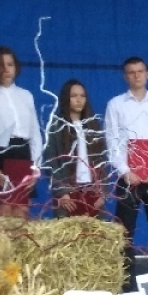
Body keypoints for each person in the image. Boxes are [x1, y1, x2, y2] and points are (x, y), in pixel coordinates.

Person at [105, 57, 148, 290]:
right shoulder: (116, 104)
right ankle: (125, 277)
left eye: (140, 71)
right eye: (131, 72)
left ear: (147, 74)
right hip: (128, 178)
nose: (136, 76)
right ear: (125, 76)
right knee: (125, 230)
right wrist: (125, 171)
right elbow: (112, 141)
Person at [0, 46, 43, 218]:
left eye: (10, 64)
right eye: (1, 65)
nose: (6, 69)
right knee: (2, 211)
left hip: (23, 154)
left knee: (22, 212)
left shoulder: (26, 95)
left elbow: (35, 133)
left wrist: (35, 167)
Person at [43, 79, 107, 218]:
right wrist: (62, 192)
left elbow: (102, 160)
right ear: (66, 98)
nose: (79, 100)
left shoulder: (93, 126)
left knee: (94, 231)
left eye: (82, 96)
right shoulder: (56, 127)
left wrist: (103, 192)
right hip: (68, 194)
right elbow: (51, 162)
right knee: (67, 231)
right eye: (74, 96)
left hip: (92, 192)